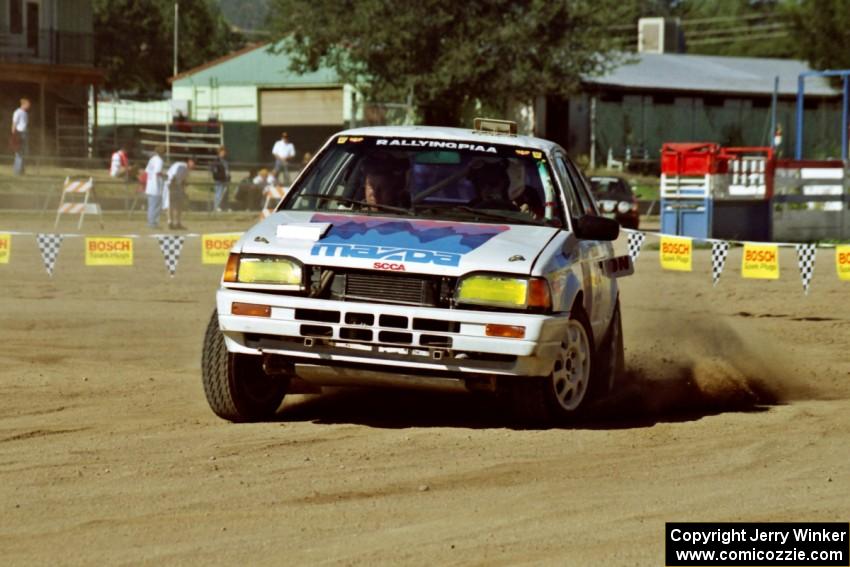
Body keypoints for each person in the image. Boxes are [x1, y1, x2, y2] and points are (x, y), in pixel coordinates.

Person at [164, 157, 195, 230]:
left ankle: (177, 223)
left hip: (176, 186)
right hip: (170, 185)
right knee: (170, 204)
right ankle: (170, 222)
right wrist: (173, 188)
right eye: (193, 163)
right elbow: (173, 177)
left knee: (178, 205)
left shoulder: (186, 169)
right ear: (189, 161)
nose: (194, 165)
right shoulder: (181, 166)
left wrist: (183, 189)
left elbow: (182, 180)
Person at [144, 145, 166, 228]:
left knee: (151, 206)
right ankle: (153, 223)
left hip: (149, 185)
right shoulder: (159, 160)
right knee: (156, 206)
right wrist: (165, 175)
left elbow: (147, 171)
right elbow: (158, 172)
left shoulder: (152, 159)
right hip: (156, 186)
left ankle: (150, 222)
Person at [10, 98, 30, 175]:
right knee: (19, 152)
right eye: (28, 105)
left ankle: (21, 170)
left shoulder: (25, 113)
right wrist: (13, 134)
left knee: (24, 152)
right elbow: (14, 123)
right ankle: (17, 171)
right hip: (19, 133)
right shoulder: (17, 112)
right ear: (23, 104)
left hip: (25, 133)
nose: (28, 106)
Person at [209, 146, 231, 212]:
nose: (224, 153)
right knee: (219, 193)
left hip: (226, 180)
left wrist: (228, 177)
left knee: (225, 194)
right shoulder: (216, 161)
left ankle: (224, 207)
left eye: (225, 152)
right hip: (219, 180)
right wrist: (218, 175)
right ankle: (216, 207)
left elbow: (227, 170)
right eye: (222, 152)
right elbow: (213, 169)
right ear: (219, 152)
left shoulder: (226, 161)